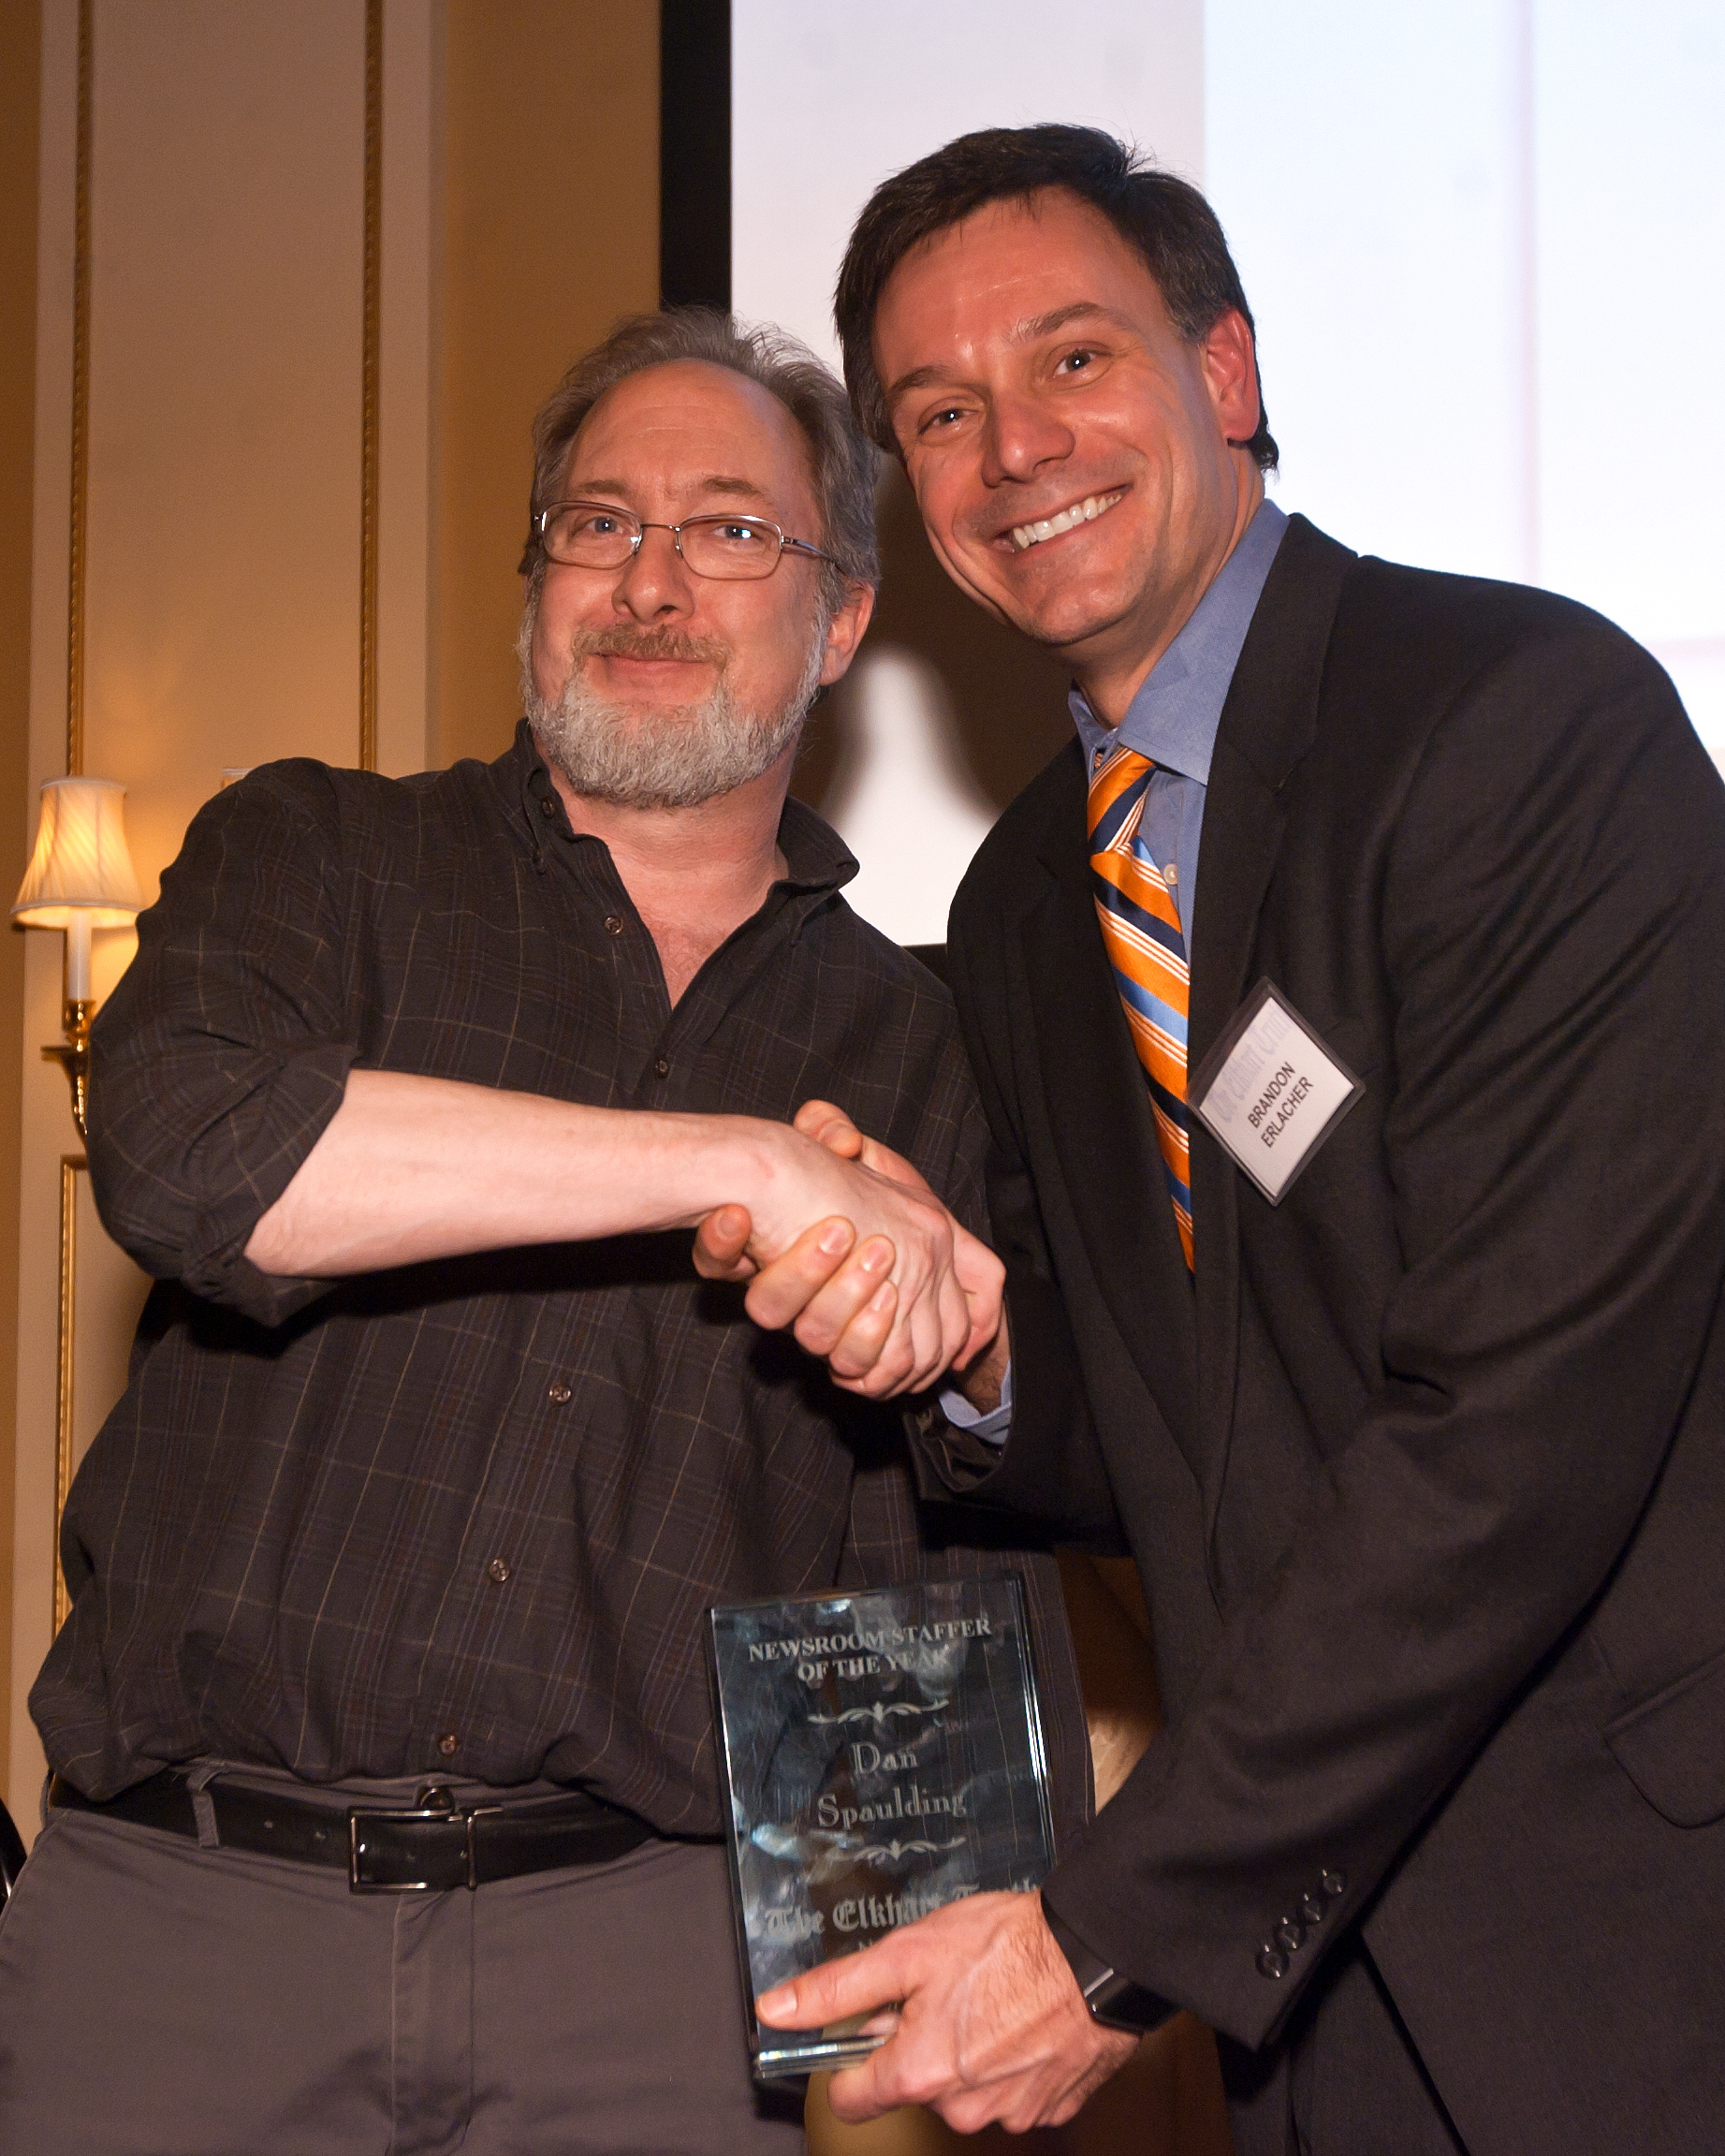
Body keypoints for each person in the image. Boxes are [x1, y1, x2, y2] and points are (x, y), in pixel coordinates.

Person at [732, 125, 1725, 2153]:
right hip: (1309, 1996)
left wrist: (1113, 1936)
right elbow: (1182, 1442)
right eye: (940, 412)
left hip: (1632, 1928)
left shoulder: (1525, 720)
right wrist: (974, 1340)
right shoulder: (1024, 904)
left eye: (1072, 358)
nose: (1014, 447)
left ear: (1225, 371)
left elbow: (1516, 1435)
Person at [0, 309, 1089, 2156]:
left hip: (647, 1984)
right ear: (535, 587)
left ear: (840, 619)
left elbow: (907, 1568)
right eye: (598, 523)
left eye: (728, 529)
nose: (649, 580)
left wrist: (942, 1985)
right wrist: (742, 1166)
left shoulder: (918, 1041)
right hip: (190, 1935)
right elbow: (195, 1159)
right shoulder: (316, 855)